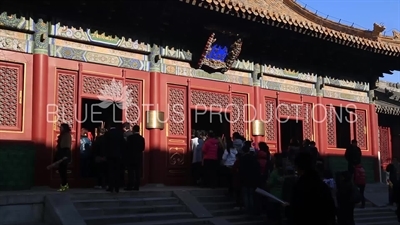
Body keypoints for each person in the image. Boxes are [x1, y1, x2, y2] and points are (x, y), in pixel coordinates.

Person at [287, 152, 336, 225]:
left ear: (298, 167)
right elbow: (331, 208)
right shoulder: (322, 185)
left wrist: (288, 208)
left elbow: (297, 212)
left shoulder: (299, 186)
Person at [239, 145, 260, 215]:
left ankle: (247, 209)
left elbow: (240, 170)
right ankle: (252, 209)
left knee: (245, 194)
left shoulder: (242, 159)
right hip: (252, 179)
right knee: (251, 195)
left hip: (244, 179)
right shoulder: (253, 158)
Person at [104, 122, 125, 193]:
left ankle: (111, 187)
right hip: (118, 155)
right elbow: (123, 144)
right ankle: (117, 188)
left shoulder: (107, 134)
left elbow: (105, 145)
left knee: (110, 171)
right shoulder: (120, 133)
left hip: (110, 155)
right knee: (117, 171)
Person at [125, 125, 145, 191]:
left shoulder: (130, 138)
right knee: (137, 172)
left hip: (130, 157)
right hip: (138, 157)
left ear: (133, 130)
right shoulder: (142, 138)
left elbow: (127, 147)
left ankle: (130, 186)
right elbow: (143, 148)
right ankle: (137, 186)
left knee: (130, 172)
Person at [54, 123, 72, 192]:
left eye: (61, 127)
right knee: (61, 171)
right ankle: (64, 185)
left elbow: (65, 146)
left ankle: (64, 186)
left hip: (64, 154)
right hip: (61, 153)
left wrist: (64, 155)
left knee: (63, 171)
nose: (60, 128)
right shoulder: (63, 135)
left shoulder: (66, 135)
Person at [266, 156, 284, 224]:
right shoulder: (284, 172)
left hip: (274, 194)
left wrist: (267, 183)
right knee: (280, 211)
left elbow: (270, 183)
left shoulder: (274, 173)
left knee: (274, 210)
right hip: (282, 193)